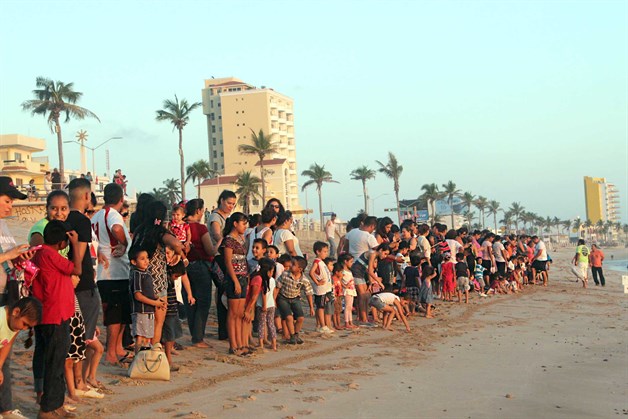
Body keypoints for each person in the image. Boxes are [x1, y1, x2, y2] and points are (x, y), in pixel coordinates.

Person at [31, 220, 82, 419]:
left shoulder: (40, 253)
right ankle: (47, 409)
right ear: (62, 242)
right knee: (55, 362)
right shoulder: (50, 255)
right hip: (55, 315)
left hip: (47, 314)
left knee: (52, 360)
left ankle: (54, 404)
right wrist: (76, 244)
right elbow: (77, 269)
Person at [66, 178, 103, 396]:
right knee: (82, 336)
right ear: (87, 196)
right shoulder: (81, 221)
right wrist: (77, 274)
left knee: (77, 335)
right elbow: (79, 255)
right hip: (83, 284)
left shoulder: (64, 220)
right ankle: (80, 382)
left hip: (71, 284)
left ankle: (80, 380)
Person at [132, 201, 186, 347]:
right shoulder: (159, 232)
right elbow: (176, 243)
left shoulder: (139, 231)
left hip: (139, 281)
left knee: (142, 328)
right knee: (157, 324)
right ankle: (152, 357)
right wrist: (180, 254)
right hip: (157, 283)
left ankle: (140, 357)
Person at [91, 183, 132, 366]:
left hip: (107, 272)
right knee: (115, 314)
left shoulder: (97, 215)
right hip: (113, 270)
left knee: (121, 313)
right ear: (120, 199)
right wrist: (123, 243)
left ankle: (117, 349)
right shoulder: (112, 214)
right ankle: (111, 353)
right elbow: (116, 229)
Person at [182, 199, 213, 347]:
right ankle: (198, 337)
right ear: (198, 211)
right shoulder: (200, 228)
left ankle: (195, 333)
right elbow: (209, 249)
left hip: (184, 267)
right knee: (203, 302)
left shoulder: (180, 226)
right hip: (200, 266)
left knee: (190, 301)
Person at [207, 190, 236, 341]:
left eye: (233, 204)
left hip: (226, 256)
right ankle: (223, 331)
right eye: (229, 203)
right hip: (218, 258)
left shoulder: (227, 217)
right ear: (222, 201)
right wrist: (228, 242)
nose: (231, 206)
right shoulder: (215, 217)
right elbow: (216, 234)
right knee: (223, 292)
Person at [221, 212, 250, 355]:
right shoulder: (228, 240)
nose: (245, 226)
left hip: (243, 277)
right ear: (235, 223)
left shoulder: (241, 239)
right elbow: (228, 262)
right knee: (233, 314)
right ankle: (233, 345)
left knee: (239, 313)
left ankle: (240, 343)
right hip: (234, 279)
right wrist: (234, 281)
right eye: (243, 223)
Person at [128, 247, 163, 353]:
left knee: (147, 337)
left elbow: (148, 293)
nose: (146, 261)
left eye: (147, 258)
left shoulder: (147, 274)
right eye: (142, 259)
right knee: (140, 337)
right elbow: (138, 295)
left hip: (149, 310)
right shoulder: (137, 274)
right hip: (141, 311)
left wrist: (158, 300)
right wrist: (155, 303)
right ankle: (138, 359)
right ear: (134, 262)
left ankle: (144, 359)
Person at [276, 256, 314, 345]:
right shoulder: (285, 274)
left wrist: (311, 307)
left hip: (295, 298)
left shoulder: (304, 280)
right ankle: (292, 336)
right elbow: (277, 287)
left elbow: (309, 293)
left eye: (293, 264)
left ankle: (296, 334)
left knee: (300, 318)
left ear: (300, 269)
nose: (290, 265)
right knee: (289, 317)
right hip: (283, 298)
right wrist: (274, 300)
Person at [243, 258, 272, 351]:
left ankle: (247, 342)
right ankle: (244, 343)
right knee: (245, 322)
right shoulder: (258, 279)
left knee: (248, 322)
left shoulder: (259, 278)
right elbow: (253, 296)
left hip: (248, 302)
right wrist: (247, 310)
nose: (272, 274)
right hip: (245, 302)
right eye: (271, 271)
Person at [308, 242, 334, 334]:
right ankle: (323, 325)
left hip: (325, 289)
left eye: (326, 251)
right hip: (320, 289)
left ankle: (320, 325)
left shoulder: (321, 262)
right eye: (324, 251)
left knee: (321, 306)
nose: (326, 253)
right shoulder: (317, 261)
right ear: (318, 252)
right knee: (320, 307)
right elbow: (311, 272)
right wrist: (317, 282)